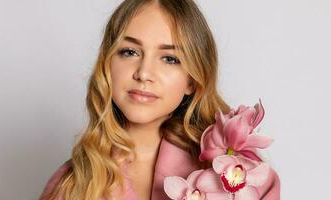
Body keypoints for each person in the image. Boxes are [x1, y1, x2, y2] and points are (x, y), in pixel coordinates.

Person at [39, 0, 280, 199]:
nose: (143, 73)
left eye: (169, 58)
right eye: (129, 52)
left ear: (192, 79)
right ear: (108, 65)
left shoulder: (240, 176)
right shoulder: (71, 185)